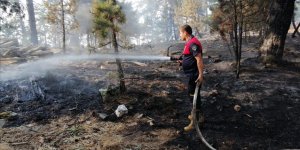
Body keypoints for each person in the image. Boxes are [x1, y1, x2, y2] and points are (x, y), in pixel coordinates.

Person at [178, 24, 204, 132]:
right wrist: (183, 62)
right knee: (194, 96)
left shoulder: (193, 43)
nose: (180, 34)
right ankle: (199, 116)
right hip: (191, 74)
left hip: (194, 75)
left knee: (193, 97)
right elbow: (190, 57)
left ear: (185, 32)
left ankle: (194, 122)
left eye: (180, 32)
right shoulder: (189, 42)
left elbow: (199, 59)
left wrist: (201, 75)